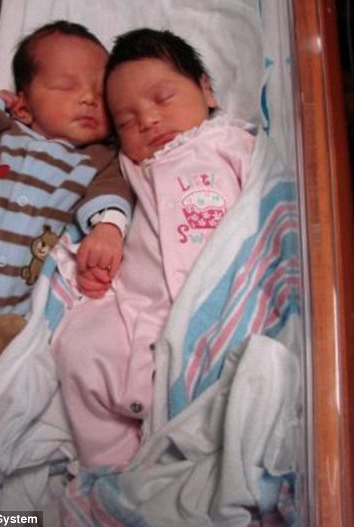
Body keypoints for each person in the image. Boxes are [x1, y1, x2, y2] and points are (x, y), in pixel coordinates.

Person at [51, 28, 256, 466]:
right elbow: (101, 188)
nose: (147, 120)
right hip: (142, 309)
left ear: (206, 90)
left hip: (223, 302)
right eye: (126, 121)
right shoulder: (128, 164)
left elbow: (270, 197)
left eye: (163, 98)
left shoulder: (228, 143)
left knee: (252, 376)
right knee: (77, 347)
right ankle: (115, 469)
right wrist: (106, 233)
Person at [0, 21, 133, 418]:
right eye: (66, 86)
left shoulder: (97, 158)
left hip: (29, 275)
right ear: (24, 106)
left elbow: (111, 191)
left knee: (52, 319)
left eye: (101, 93)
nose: (88, 98)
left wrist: (107, 228)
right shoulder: (3, 133)